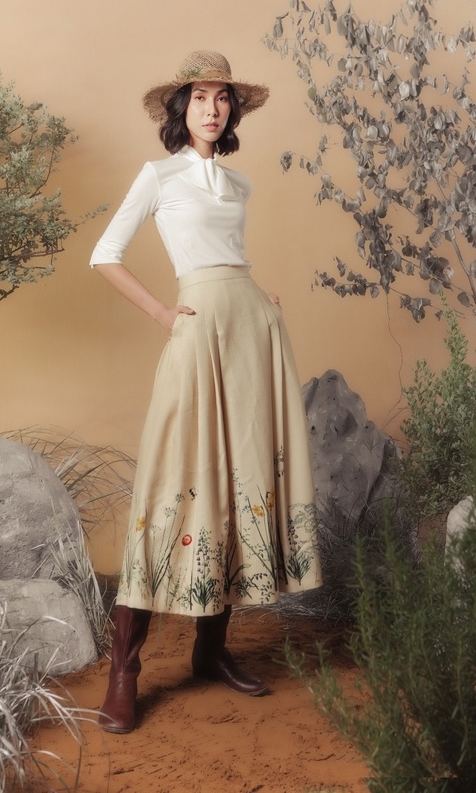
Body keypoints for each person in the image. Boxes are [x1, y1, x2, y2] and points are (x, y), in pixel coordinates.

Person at [90, 50, 321, 734]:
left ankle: (210, 650)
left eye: (222, 97)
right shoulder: (158, 175)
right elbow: (105, 254)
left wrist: (259, 299)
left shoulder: (239, 183)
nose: (212, 108)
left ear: (233, 109)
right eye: (200, 97)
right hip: (197, 336)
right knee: (172, 483)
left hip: (251, 333)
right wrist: (165, 315)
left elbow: (230, 263)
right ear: (180, 108)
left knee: (238, 477)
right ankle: (124, 670)